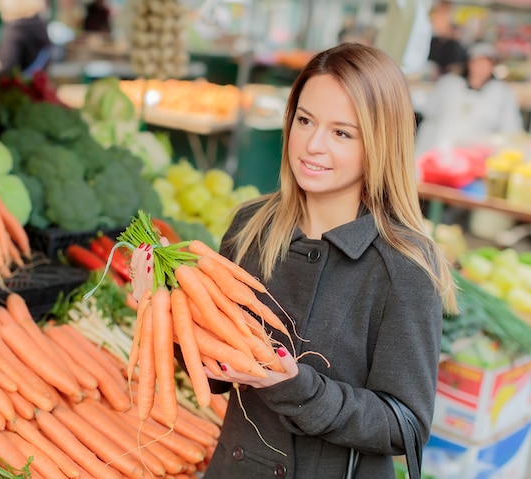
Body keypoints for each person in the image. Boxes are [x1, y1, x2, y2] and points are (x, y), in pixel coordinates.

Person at [137, 42, 457, 478]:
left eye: (342, 132)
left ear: (380, 143)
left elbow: (405, 427)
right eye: (305, 121)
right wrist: (158, 307)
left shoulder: (402, 265)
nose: (312, 145)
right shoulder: (252, 227)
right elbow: (213, 374)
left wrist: (297, 388)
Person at [415, 42, 524, 159]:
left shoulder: (502, 93)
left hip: (474, 157)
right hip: (438, 150)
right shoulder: (449, 84)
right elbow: (428, 110)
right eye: (477, 62)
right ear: (469, 63)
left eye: (486, 63)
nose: (480, 67)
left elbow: (511, 128)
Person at [0, 0, 50, 78]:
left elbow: (7, 70)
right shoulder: (41, 27)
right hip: (35, 86)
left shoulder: (14, 31)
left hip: (17, 88)